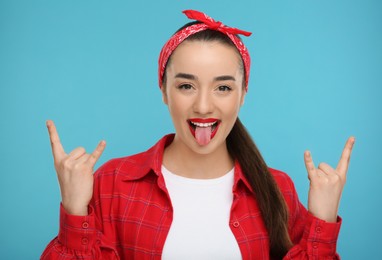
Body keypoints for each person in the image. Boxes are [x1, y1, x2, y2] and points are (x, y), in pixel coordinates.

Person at [41, 10, 355, 260]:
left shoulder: (277, 189)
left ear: (243, 94)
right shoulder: (113, 183)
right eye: (186, 86)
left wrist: (322, 221)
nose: (203, 106)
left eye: (223, 87)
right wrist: (74, 211)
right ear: (163, 90)